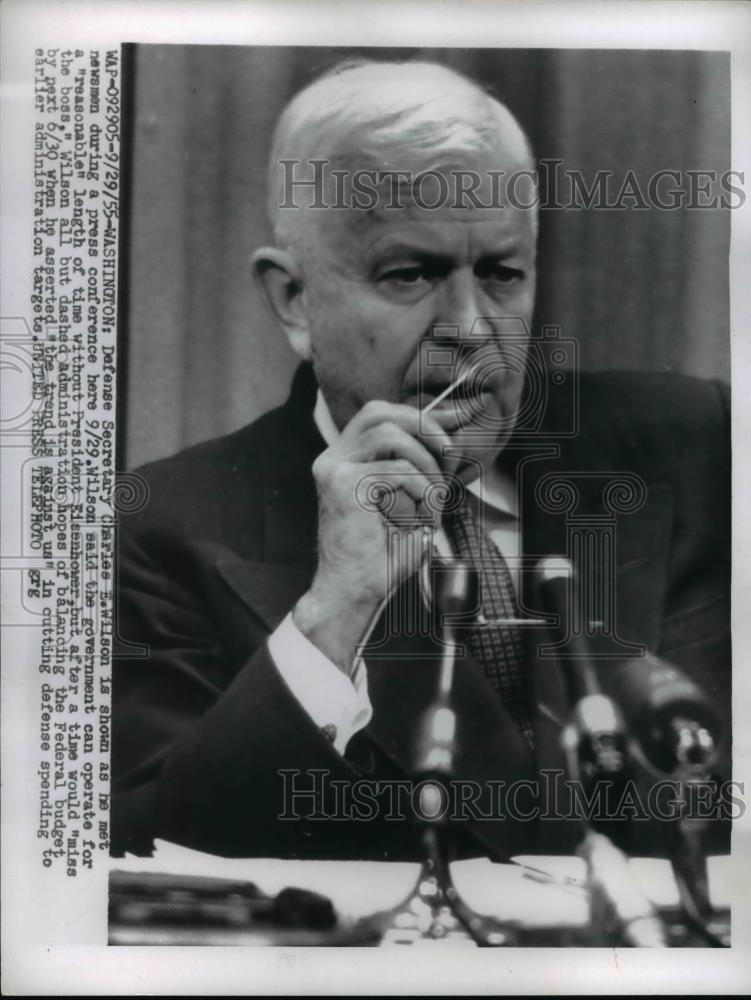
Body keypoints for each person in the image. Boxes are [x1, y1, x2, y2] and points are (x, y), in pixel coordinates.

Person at [112, 60, 731, 861]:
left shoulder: (698, 446)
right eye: (411, 274)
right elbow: (141, 865)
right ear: (293, 301)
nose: (472, 330)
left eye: (502, 274)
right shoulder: (164, 530)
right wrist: (335, 614)